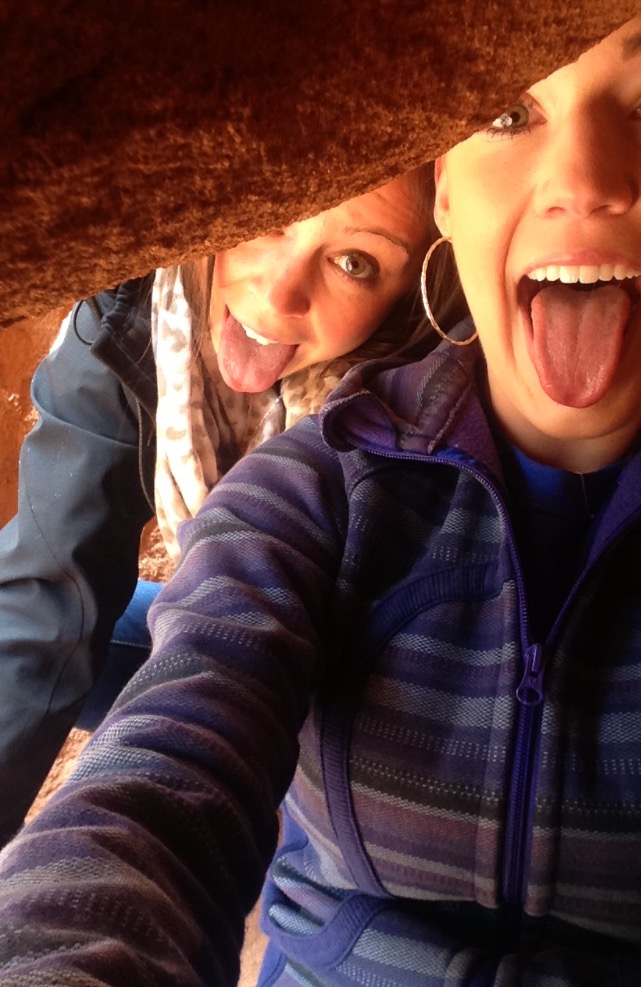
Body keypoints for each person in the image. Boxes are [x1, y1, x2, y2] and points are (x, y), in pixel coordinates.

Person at [1, 1, 641, 983]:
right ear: (449, 195)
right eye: (507, 112)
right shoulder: (305, 471)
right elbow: (155, 752)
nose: (583, 179)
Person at [0, 166, 436, 847]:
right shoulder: (131, 314)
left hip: (361, 682)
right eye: (270, 210)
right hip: (238, 631)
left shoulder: (428, 395)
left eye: (355, 262)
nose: (279, 294)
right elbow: (48, 594)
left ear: (409, 293)